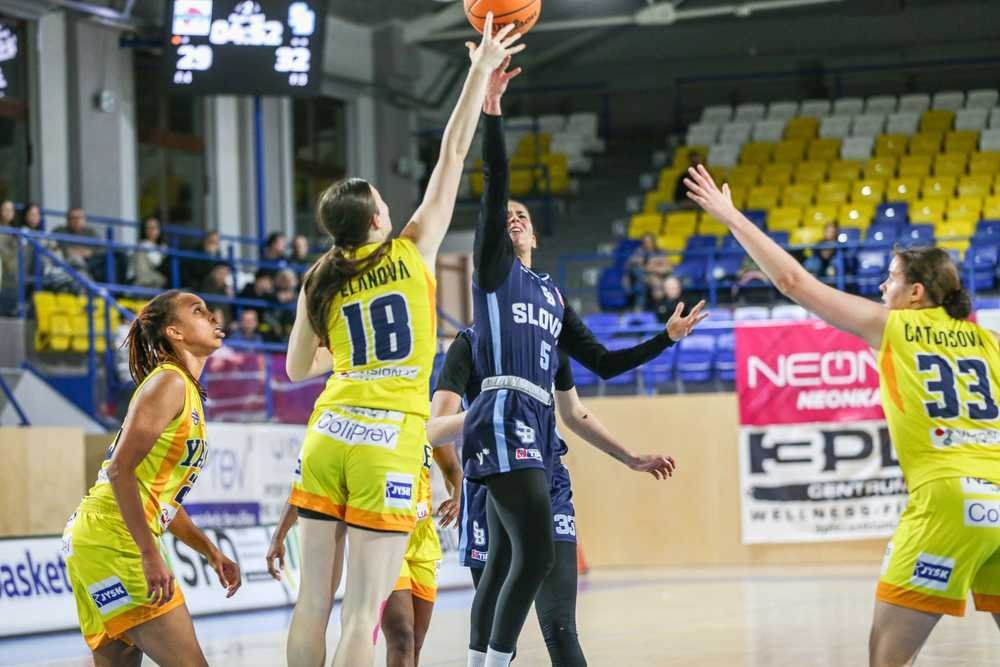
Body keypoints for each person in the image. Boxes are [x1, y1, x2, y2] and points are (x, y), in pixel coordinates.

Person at [273, 18, 524, 667]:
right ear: (378, 219)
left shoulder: (318, 276)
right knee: (363, 614)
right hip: (387, 440)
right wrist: (479, 69)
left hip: (328, 430)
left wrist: (349, 357)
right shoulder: (412, 251)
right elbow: (452, 154)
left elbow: (297, 368)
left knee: (312, 603)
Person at [683, 164, 1000, 667]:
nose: (881, 286)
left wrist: (732, 218)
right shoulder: (990, 340)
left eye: (890, 278)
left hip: (946, 499)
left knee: (885, 659)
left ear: (916, 293)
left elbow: (792, 281)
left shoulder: (892, 325)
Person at [464, 59, 707, 667]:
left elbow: (601, 362)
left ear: (536, 235)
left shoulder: (551, 298)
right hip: (502, 414)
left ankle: (485, 657)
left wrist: (665, 339)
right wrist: (492, 110)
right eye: (506, 215)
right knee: (530, 558)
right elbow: (496, 179)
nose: (514, 218)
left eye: (523, 216)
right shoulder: (494, 272)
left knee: (526, 577)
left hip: (540, 431)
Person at [429, 328, 675, 666]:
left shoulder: (549, 339)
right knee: (498, 638)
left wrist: (629, 457)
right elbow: (435, 429)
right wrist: (491, 409)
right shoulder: (470, 343)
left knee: (560, 628)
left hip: (549, 481)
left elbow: (574, 413)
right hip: (490, 480)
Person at [61, 290, 241, 667]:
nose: (212, 316)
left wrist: (210, 551)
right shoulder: (169, 383)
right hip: (115, 536)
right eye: (198, 311)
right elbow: (119, 470)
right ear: (175, 332)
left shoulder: (183, 388)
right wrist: (149, 553)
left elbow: (160, 502)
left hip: (99, 537)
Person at [265, 438, 464, 667]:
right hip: (384, 535)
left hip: (423, 539)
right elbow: (309, 479)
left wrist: (458, 498)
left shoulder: (427, 421)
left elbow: (453, 468)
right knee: (401, 635)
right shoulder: (361, 425)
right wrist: (280, 532)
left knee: (415, 643)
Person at [52, 207, 103, 278]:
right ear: (68, 220)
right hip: (67, 265)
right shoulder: (60, 231)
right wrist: (84, 252)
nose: (77, 221)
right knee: (76, 260)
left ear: (84, 219)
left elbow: (99, 250)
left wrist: (87, 253)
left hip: (90, 264)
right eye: (74, 218)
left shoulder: (91, 233)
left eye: (80, 218)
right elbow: (63, 249)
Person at [130, 217, 168, 289]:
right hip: (139, 282)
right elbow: (155, 263)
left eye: (154, 227)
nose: (151, 230)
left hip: (156, 283)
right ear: (144, 230)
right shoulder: (141, 246)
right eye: (148, 228)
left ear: (159, 230)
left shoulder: (163, 246)